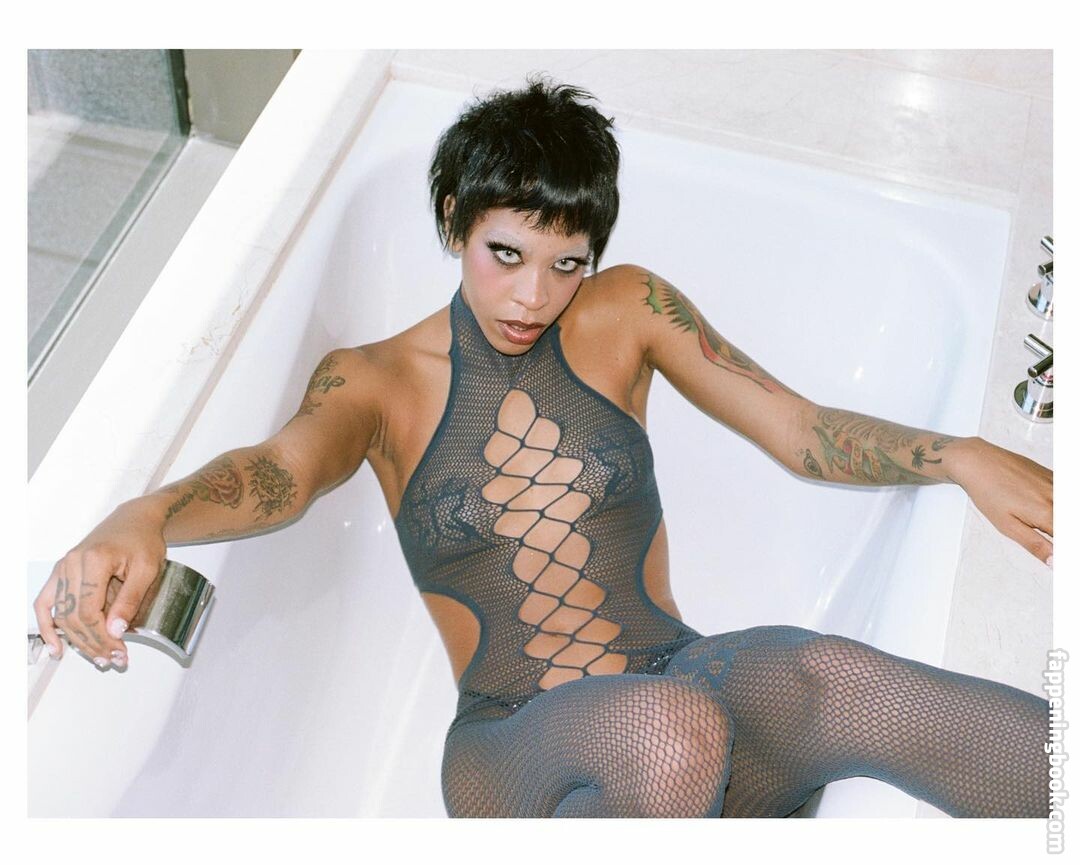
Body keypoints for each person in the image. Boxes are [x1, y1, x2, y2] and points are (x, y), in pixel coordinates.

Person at [34, 76, 1053, 819]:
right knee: (669, 732)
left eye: (566, 264)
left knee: (829, 673)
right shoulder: (375, 381)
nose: (533, 296)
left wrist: (960, 455)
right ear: (454, 222)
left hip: (678, 675)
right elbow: (280, 473)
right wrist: (148, 513)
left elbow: (798, 429)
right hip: (518, 745)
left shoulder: (629, 310)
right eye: (506, 254)